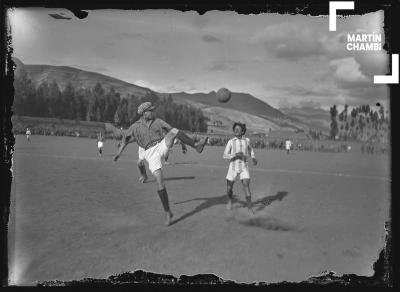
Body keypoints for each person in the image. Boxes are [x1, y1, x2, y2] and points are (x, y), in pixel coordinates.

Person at [113, 101, 209, 226]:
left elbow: (174, 132)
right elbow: (125, 140)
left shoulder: (158, 121)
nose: (153, 112)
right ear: (143, 113)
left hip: (161, 145)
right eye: (150, 110)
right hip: (149, 154)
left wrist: (183, 143)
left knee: (174, 130)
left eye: (153, 110)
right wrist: (118, 153)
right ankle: (168, 212)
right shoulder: (135, 127)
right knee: (160, 182)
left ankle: (196, 146)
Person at [223, 122, 257, 213]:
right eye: (235, 129)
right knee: (229, 188)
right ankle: (230, 201)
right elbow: (225, 155)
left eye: (238, 129)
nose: (236, 130)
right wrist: (235, 154)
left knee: (246, 185)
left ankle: (250, 208)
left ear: (242, 131)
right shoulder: (231, 141)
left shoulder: (247, 140)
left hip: (244, 166)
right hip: (233, 167)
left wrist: (253, 157)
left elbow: (251, 149)